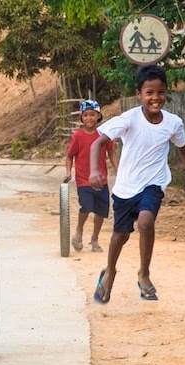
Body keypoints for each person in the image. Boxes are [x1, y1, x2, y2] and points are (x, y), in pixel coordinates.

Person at [89, 64, 185, 304]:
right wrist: (95, 170)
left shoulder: (173, 123)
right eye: (149, 93)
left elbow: (184, 152)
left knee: (146, 222)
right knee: (121, 235)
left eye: (161, 92)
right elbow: (97, 143)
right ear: (139, 94)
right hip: (126, 187)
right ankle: (110, 272)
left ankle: (144, 273)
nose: (155, 98)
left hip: (153, 184)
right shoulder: (129, 119)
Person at [63, 99, 118, 253]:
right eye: (85, 115)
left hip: (101, 180)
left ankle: (94, 238)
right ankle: (79, 230)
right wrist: (68, 172)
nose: (89, 118)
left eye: (92, 115)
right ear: (81, 117)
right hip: (83, 180)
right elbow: (69, 156)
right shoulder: (77, 136)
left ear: (98, 116)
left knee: (101, 211)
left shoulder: (104, 135)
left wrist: (119, 171)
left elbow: (112, 153)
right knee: (86, 207)